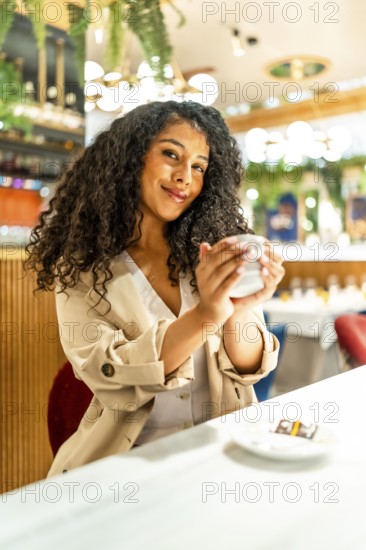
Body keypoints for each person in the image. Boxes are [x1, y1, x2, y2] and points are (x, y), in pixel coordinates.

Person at [25, 100, 284, 476]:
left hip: (221, 457)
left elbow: (248, 369)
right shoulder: (82, 267)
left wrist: (240, 308)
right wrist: (205, 315)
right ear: (131, 158)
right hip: (124, 468)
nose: (185, 177)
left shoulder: (211, 250)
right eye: (170, 154)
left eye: (199, 167)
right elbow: (107, 372)